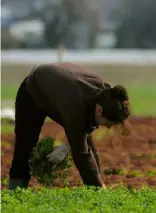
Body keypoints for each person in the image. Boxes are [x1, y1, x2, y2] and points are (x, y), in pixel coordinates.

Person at [8, 62, 130, 190]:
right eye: (108, 123)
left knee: (86, 143)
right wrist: (67, 148)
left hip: (58, 88)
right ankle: (15, 193)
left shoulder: (106, 94)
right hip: (31, 92)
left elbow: (83, 133)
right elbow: (81, 153)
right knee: (25, 147)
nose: (109, 127)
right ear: (99, 110)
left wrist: (65, 148)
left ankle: (96, 190)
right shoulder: (76, 108)